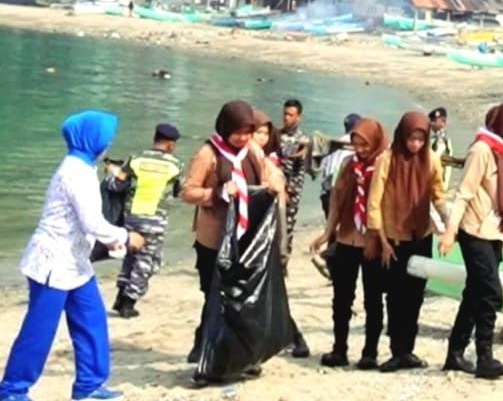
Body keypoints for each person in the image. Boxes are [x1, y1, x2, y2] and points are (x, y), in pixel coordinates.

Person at [0, 111, 146, 401]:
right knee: (39, 331)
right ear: (93, 139)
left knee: (92, 321)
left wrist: (109, 241)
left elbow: (86, 224)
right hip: (52, 264)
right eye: (106, 138)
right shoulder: (75, 173)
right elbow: (91, 221)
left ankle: (89, 386)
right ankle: (12, 391)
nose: (108, 143)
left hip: (75, 263)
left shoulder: (84, 167)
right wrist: (126, 238)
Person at [181, 100, 288, 367]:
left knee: (241, 297)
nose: (242, 138)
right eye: (237, 132)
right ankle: (204, 346)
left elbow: (272, 176)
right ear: (224, 127)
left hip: (246, 238)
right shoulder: (209, 153)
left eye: (247, 132)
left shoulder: (251, 150)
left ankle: (239, 354)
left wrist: (273, 186)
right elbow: (187, 191)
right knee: (214, 296)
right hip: (214, 240)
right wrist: (216, 193)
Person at [439, 99, 503, 380]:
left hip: (493, 230)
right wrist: (450, 231)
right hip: (474, 231)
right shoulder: (481, 150)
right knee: (490, 293)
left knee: (474, 293)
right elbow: (464, 193)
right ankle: (484, 357)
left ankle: (455, 354)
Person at [367, 112, 450, 371]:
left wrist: (450, 223)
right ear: (402, 136)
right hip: (393, 239)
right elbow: (374, 202)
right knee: (395, 296)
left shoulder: (431, 160)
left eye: (420, 139)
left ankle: (409, 350)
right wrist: (382, 240)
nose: (415, 144)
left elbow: (438, 195)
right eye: (411, 138)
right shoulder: (387, 160)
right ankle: (396, 350)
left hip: (420, 236)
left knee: (415, 296)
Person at [309, 118, 388, 370]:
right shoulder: (347, 164)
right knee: (341, 298)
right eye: (356, 144)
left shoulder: (384, 165)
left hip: (373, 242)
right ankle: (339, 349)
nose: (361, 150)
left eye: (365, 145)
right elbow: (336, 200)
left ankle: (370, 353)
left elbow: (390, 206)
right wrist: (327, 232)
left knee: (373, 299)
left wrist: (386, 241)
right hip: (346, 238)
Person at [110, 122, 183, 318]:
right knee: (148, 262)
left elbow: (116, 185)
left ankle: (120, 297)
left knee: (131, 258)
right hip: (155, 220)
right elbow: (178, 192)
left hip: (131, 217)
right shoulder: (175, 164)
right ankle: (128, 302)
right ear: (170, 145)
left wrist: (112, 172)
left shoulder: (135, 159)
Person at [278, 98, 311, 257]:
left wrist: (290, 191)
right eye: (285, 114)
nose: (286, 118)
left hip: (291, 191)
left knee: (287, 228)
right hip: (274, 189)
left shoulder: (303, 140)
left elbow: (299, 171)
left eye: (291, 115)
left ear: (299, 117)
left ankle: (283, 263)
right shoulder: (276, 136)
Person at [320, 114, 359, 219]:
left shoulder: (332, 145)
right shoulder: (355, 147)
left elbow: (323, 170)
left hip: (325, 194)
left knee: (331, 229)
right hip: (340, 195)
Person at [429, 107, 454, 187]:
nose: (431, 123)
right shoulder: (436, 137)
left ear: (443, 122)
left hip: (440, 175)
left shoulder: (442, 138)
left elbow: (437, 156)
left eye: (434, 121)